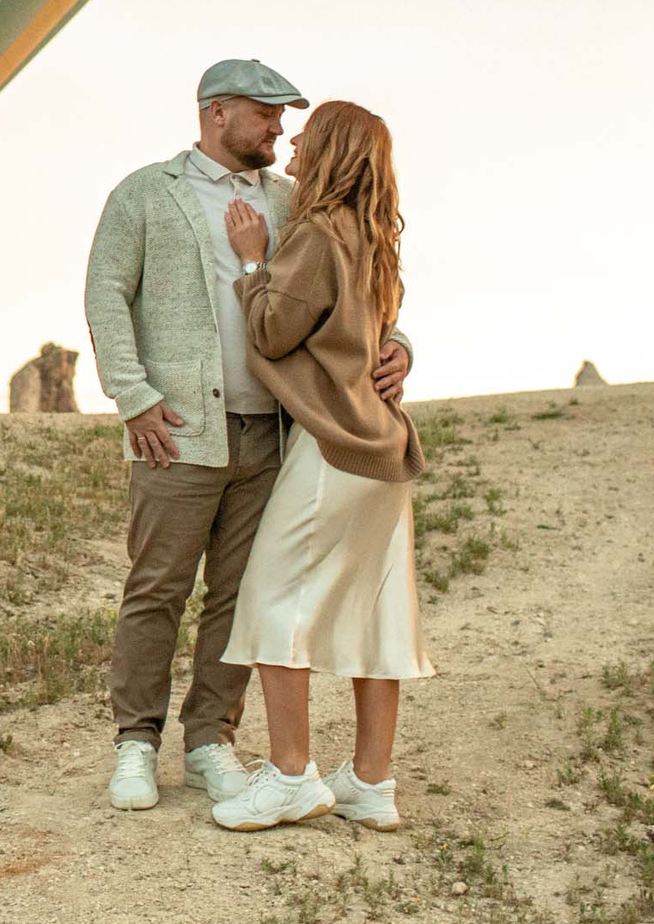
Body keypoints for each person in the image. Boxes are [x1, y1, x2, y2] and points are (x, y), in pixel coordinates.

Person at [84, 61, 412, 814]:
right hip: (176, 431)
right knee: (158, 586)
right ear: (217, 112)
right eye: (265, 113)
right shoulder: (144, 193)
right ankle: (136, 742)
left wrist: (401, 344)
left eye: (285, 116)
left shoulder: (299, 201)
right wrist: (133, 397)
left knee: (239, 595)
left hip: (274, 434)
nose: (279, 128)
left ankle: (210, 741)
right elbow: (106, 294)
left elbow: (359, 287)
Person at [211, 101, 430, 832]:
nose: (291, 140)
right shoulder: (376, 240)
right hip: (386, 451)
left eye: (308, 131)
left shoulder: (317, 230)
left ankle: (291, 772)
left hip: (333, 448)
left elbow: (273, 331)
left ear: (330, 148)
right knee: (377, 611)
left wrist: (252, 259)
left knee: (271, 597)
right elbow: (374, 335)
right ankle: (371, 780)